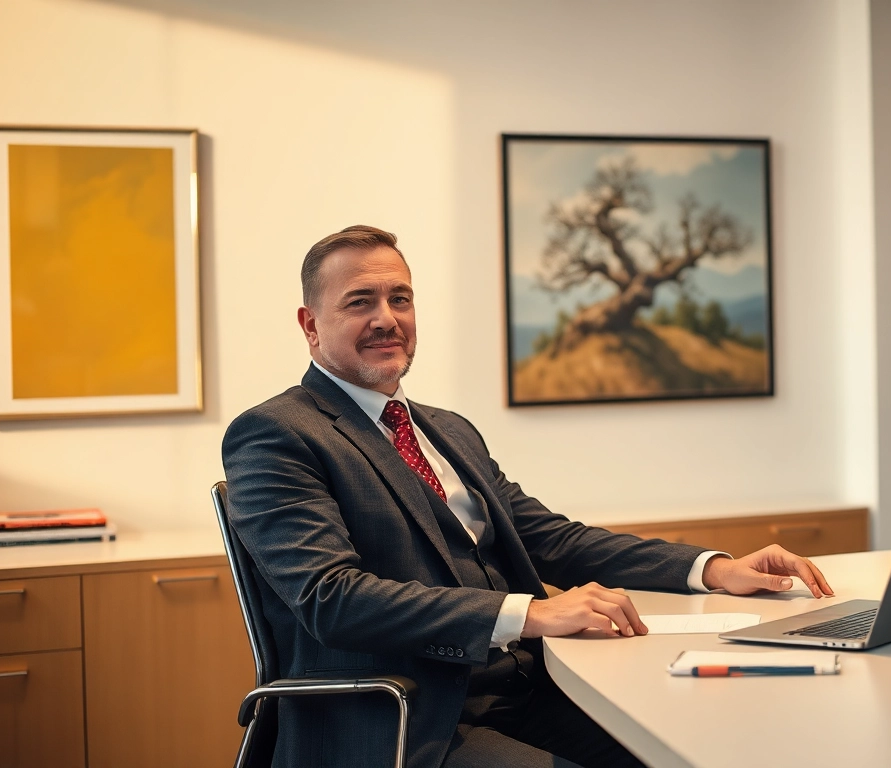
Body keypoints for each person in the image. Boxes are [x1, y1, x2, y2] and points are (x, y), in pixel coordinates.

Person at [222, 225, 835, 768]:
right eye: (360, 302)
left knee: (687, 746)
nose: (387, 317)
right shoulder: (276, 433)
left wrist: (713, 569)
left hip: (529, 690)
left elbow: (550, 539)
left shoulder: (448, 429)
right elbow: (331, 598)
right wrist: (527, 614)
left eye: (400, 298)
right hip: (409, 717)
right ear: (310, 325)